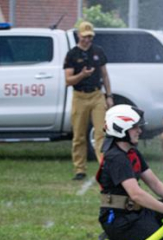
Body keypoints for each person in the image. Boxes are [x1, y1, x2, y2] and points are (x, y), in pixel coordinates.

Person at [84, 104, 163, 240]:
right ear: (121, 128)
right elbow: (137, 195)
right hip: (120, 221)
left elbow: (155, 183)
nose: (139, 131)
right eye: (134, 127)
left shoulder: (132, 152)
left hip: (136, 213)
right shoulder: (116, 157)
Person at [64, 21, 114, 181]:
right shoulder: (72, 54)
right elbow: (68, 80)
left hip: (97, 95)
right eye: (85, 36)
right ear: (79, 35)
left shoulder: (98, 51)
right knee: (79, 135)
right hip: (79, 96)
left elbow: (105, 75)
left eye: (90, 37)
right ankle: (80, 169)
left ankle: (103, 167)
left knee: (101, 133)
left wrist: (109, 96)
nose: (87, 40)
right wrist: (82, 75)